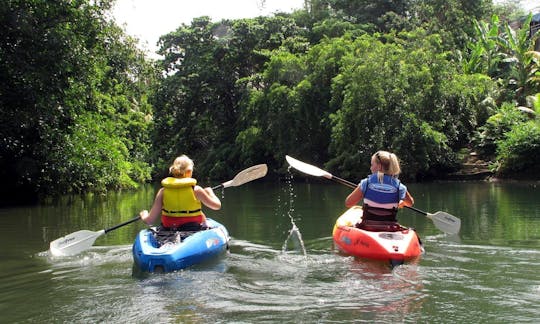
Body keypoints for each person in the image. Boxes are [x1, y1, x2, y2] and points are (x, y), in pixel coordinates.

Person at [140, 155, 221, 229]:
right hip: (192, 228)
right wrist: (210, 192)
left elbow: (149, 221)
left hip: (169, 228)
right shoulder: (196, 190)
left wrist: (144, 215)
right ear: (189, 172)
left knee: (202, 214)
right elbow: (217, 206)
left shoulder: (163, 191)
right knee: (202, 217)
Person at [345, 150, 414, 230]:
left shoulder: (366, 183)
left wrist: (361, 189)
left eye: (372, 165)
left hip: (367, 227)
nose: (370, 168)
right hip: (389, 228)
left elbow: (348, 203)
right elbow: (410, 203)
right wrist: (402, 202)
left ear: (379, 166)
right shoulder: (400, 187)